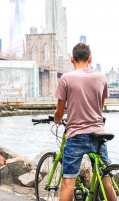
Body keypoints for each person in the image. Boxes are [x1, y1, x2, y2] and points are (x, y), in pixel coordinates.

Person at [54, 43, 116, 201]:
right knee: (105, 178)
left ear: (71, 60)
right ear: (90, 59)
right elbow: (100, 107)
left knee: (68, 184)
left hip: (76, 135)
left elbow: (59, 112)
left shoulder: (66, 78)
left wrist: (58, 120)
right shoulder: (101, 77)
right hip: (99, 135)